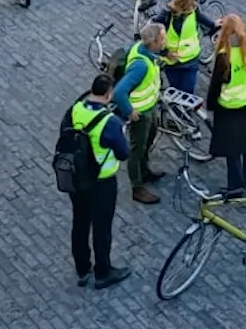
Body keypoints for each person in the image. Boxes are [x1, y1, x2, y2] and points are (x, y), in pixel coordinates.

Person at [63, 74, 132, 291]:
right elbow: (123, 153)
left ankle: (82, 268)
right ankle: (103, 271)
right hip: (101, 182)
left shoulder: (76, 109)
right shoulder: (109, 122)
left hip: (77, 178)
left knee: (80, 223)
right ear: (109, 94)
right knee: (102, 228)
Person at [205, 13, 246, 195]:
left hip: (228, 107)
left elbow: (216, 84)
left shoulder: (225, 55)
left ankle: (236, 186)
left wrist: (210, 104)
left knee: (232, 149)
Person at [111, 22, 169, 204]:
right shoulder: (140, 66)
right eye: (163, 38)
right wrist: (129, 111)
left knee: (150, 138)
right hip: (141, 113)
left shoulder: (143, 48)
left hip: (150, 108)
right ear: (153, 42)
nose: (165, 40)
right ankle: (137, 187)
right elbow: (119, 92)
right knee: (137, 149)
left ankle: (145, 171)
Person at [160, 0, 203, 95]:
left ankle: (187, 110)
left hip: (191, 61)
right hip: (173, 64)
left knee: (188, 91)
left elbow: (202, 18)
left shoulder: (193, 11)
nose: (191, 11)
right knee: (176, 91)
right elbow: (152, 40)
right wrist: (166, 53)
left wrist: (215, 25)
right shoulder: (165, 16)